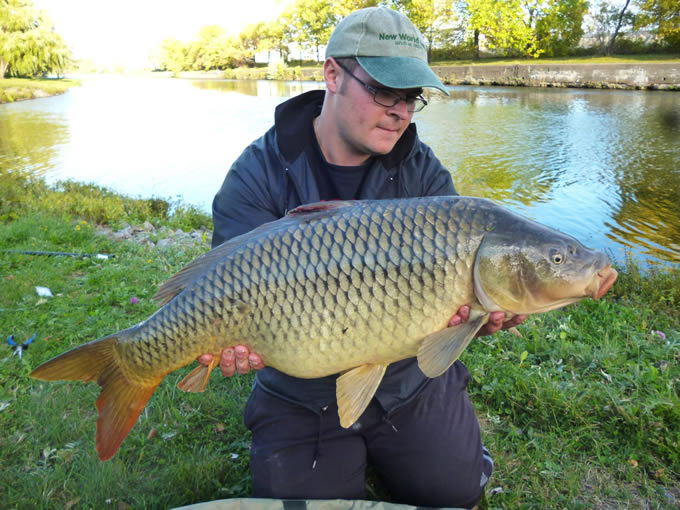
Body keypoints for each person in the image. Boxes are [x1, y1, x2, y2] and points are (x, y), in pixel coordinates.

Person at [199, 7, 525, 509]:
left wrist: (480, 316)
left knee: (455, 494)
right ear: (332, 73)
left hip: (407, 382)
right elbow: (222, 286)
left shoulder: (426, 179)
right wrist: (227, 340)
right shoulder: (257, 174)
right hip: (299, 391)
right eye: (382, 90)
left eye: (411, 97)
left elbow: (459, 312)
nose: (399, 111)